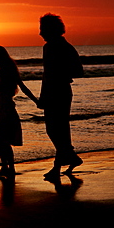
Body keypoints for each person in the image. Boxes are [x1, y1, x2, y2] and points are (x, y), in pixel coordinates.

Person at [37, 13, 84, 182]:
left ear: (49, 29)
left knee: (55, 130)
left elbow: (49, 74)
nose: (40, 33)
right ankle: (62, 163)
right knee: (59, 130)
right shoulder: (65, 46)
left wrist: (44, 96)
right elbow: (77, 71)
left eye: (42, 29)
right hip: (61, 91)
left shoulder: (52, 47)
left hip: (56, 92)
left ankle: (68, 159)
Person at [0, 45, 38, 178]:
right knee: (2, 139)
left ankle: (8, 167)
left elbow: (23, 87)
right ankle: (7, 166)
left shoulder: (9, 72)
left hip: (6, 107)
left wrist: (36, 101)